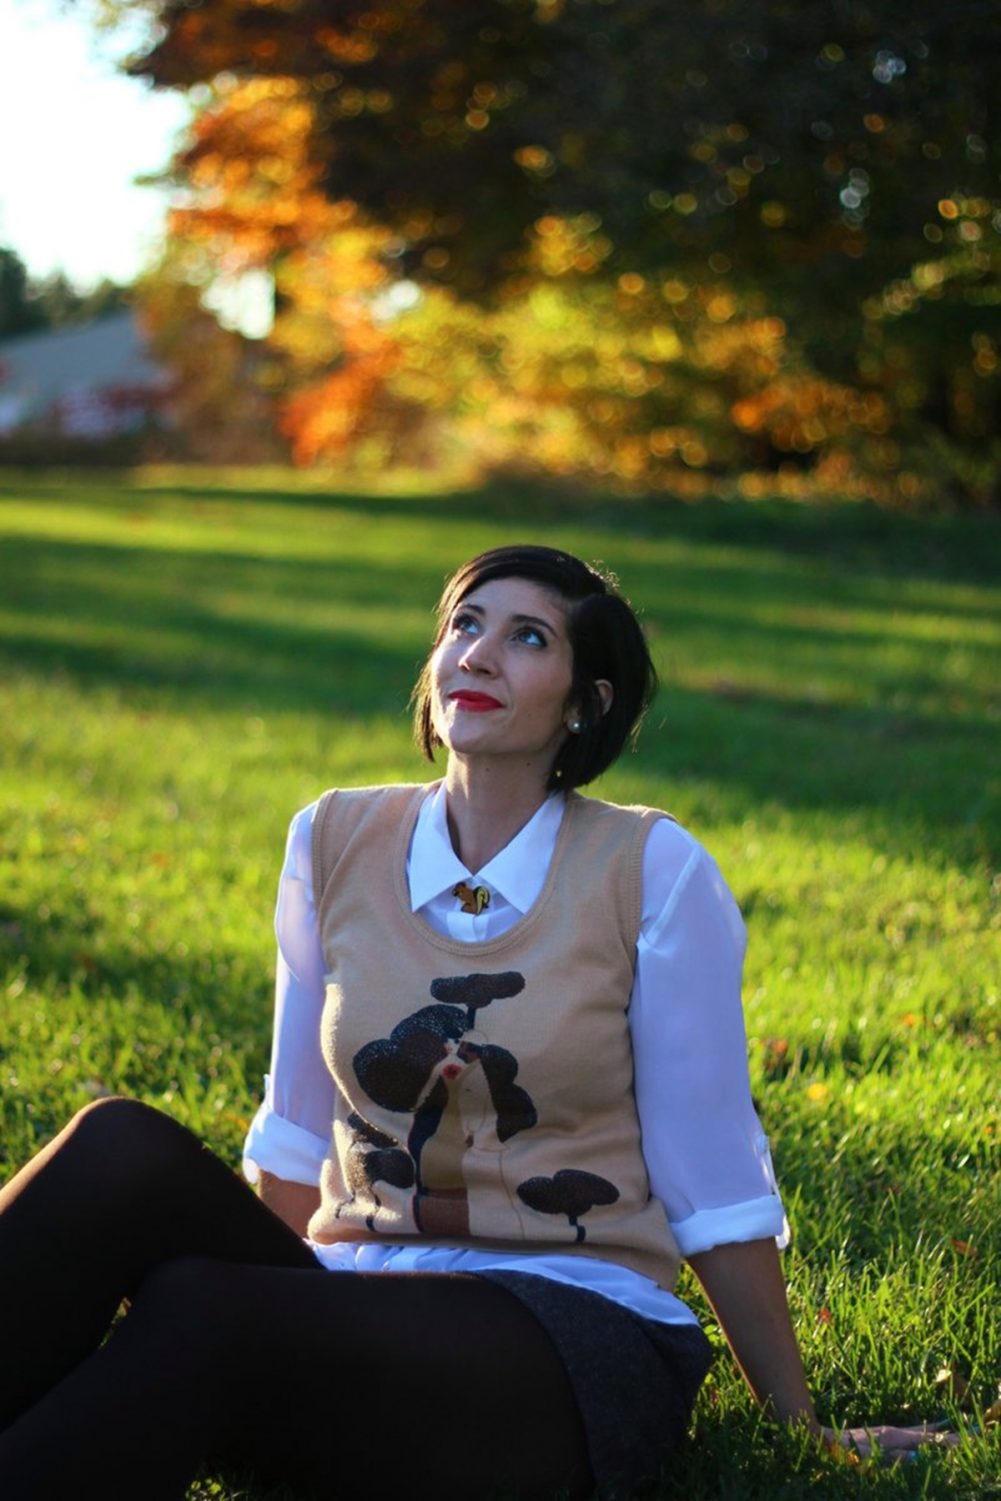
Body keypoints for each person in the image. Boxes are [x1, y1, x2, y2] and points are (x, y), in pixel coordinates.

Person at [0, 545, 951, 1500]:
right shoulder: (331, 837)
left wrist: (801, 1425)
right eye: (464, 624)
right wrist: (280, 1279)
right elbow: (292, 1130)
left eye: (527, 637)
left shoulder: (649, 870)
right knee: (119, 1145)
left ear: (585, 701)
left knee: (201, 1308)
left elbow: (709, 1177)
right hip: (357, 1295)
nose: (479, 654)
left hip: (565, 1333)